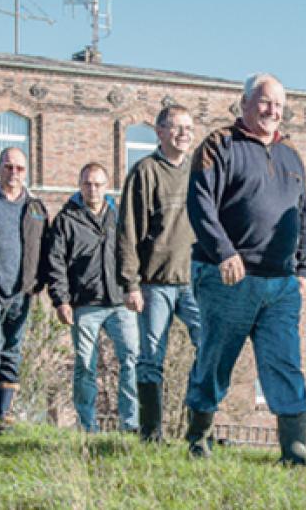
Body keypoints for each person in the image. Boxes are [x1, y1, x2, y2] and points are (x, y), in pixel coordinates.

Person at [183, 73, 306, 465]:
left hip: (281, 284)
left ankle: (295, 451)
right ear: (244, 102)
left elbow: (304, 212)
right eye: (264, 102)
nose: (272, 110)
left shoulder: (291, 154)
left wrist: (304, 267)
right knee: (215, 361)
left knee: (284, 362)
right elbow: (200, 203)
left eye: (278, 104)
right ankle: (198, 438)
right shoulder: (219, 144)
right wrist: (224, 251)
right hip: (229, 277)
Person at [117, 105, 203, 442]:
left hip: (195, 281)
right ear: (160, 132)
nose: (184, 134)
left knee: (208, 348)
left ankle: (198, 430)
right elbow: (128, 230)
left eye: (189, 127)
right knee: (151, 358)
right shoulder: (145, 172)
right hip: (155, 284)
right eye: (177, 127)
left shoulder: (199, 172)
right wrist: (131, 283)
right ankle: (151, 434)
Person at [46, 162, 139, 432]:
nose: (93, 189)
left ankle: (130, 423)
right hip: (84, 304)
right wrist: (61, 300)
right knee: (85, 365)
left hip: (120, 302)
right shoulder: (66, 219)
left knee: (132, 359)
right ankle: (87, 426)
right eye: (87, 184)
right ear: (80, 186)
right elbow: (56, 263)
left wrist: (134, 287)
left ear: (107, 186)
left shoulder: (119, 216)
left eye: (98, 184)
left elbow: (131, 253)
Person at [0, 147, 49, 428]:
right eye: (8, 167)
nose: (14, 173)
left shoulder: (36, 208)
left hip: (22, 290)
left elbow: (46, 248)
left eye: (20, 168)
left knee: (12, 350)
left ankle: (4, 413)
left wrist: (39, 283)